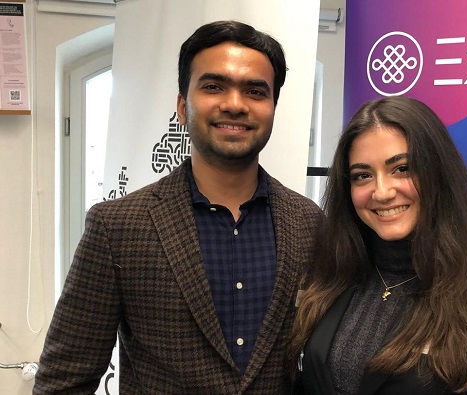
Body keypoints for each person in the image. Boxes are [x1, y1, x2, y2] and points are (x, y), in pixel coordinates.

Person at [35, 20, 323, 394]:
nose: (234, 104)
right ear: (183, 105)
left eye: (255, 91)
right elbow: (64, 380)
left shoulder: (309, 224)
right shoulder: (118, 227)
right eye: (214, 86)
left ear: (272, 108)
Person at [291, 96, 467, 394]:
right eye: (363, 175)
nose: (382, 192)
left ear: (438, 174)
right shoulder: (332, 279)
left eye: (402, 168)